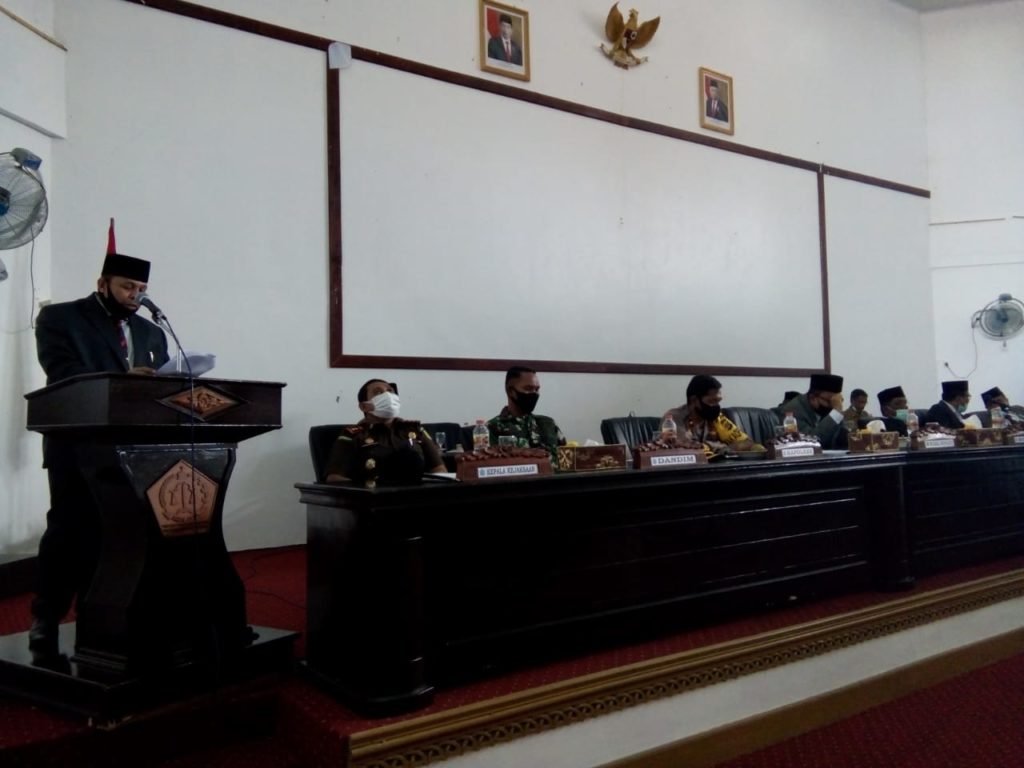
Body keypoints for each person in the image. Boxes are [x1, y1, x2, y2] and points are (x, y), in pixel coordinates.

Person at [30, 252, 170, 659]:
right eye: (127, 287)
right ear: (102, 283)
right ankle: (46, 617)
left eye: (142, 289)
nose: (135, 296)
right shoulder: (60, 318)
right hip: (77, 446)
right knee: (69, 531)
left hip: (136, 452)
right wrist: (123, 380)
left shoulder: (151, 333)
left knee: (127, 535)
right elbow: (61, 372)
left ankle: (109, 616)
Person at [324, 379, 445, 486]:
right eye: (378, 392)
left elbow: (439, 469)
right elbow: (335, 478)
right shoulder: (353, 435)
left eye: (390, 391)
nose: (387, 395)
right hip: (374, 499)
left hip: (418, 498)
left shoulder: (415, 430)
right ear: (364, 407)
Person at [663, 374, 755, 458]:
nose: (716, 406)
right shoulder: (673, 418)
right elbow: (685, 448)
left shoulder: (717, 418)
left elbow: (747, 442)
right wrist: (720, 447)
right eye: (711, 401)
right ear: (694, 400)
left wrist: (725, 448)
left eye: (718, 401)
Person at [488, 366, 565, 456]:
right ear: (511, 391)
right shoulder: (492, 428)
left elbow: (566, 458)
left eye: (537, 389)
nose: (534, 393)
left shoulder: (549, 424)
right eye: (528, 389)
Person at [778, 374, 847, 449]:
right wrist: (836, 412)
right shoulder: (793, 411)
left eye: (836, 402)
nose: (832, 406)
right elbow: (811, 442)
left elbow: (841, 438)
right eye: (830, 401)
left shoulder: (825, 409)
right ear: (813, 398)